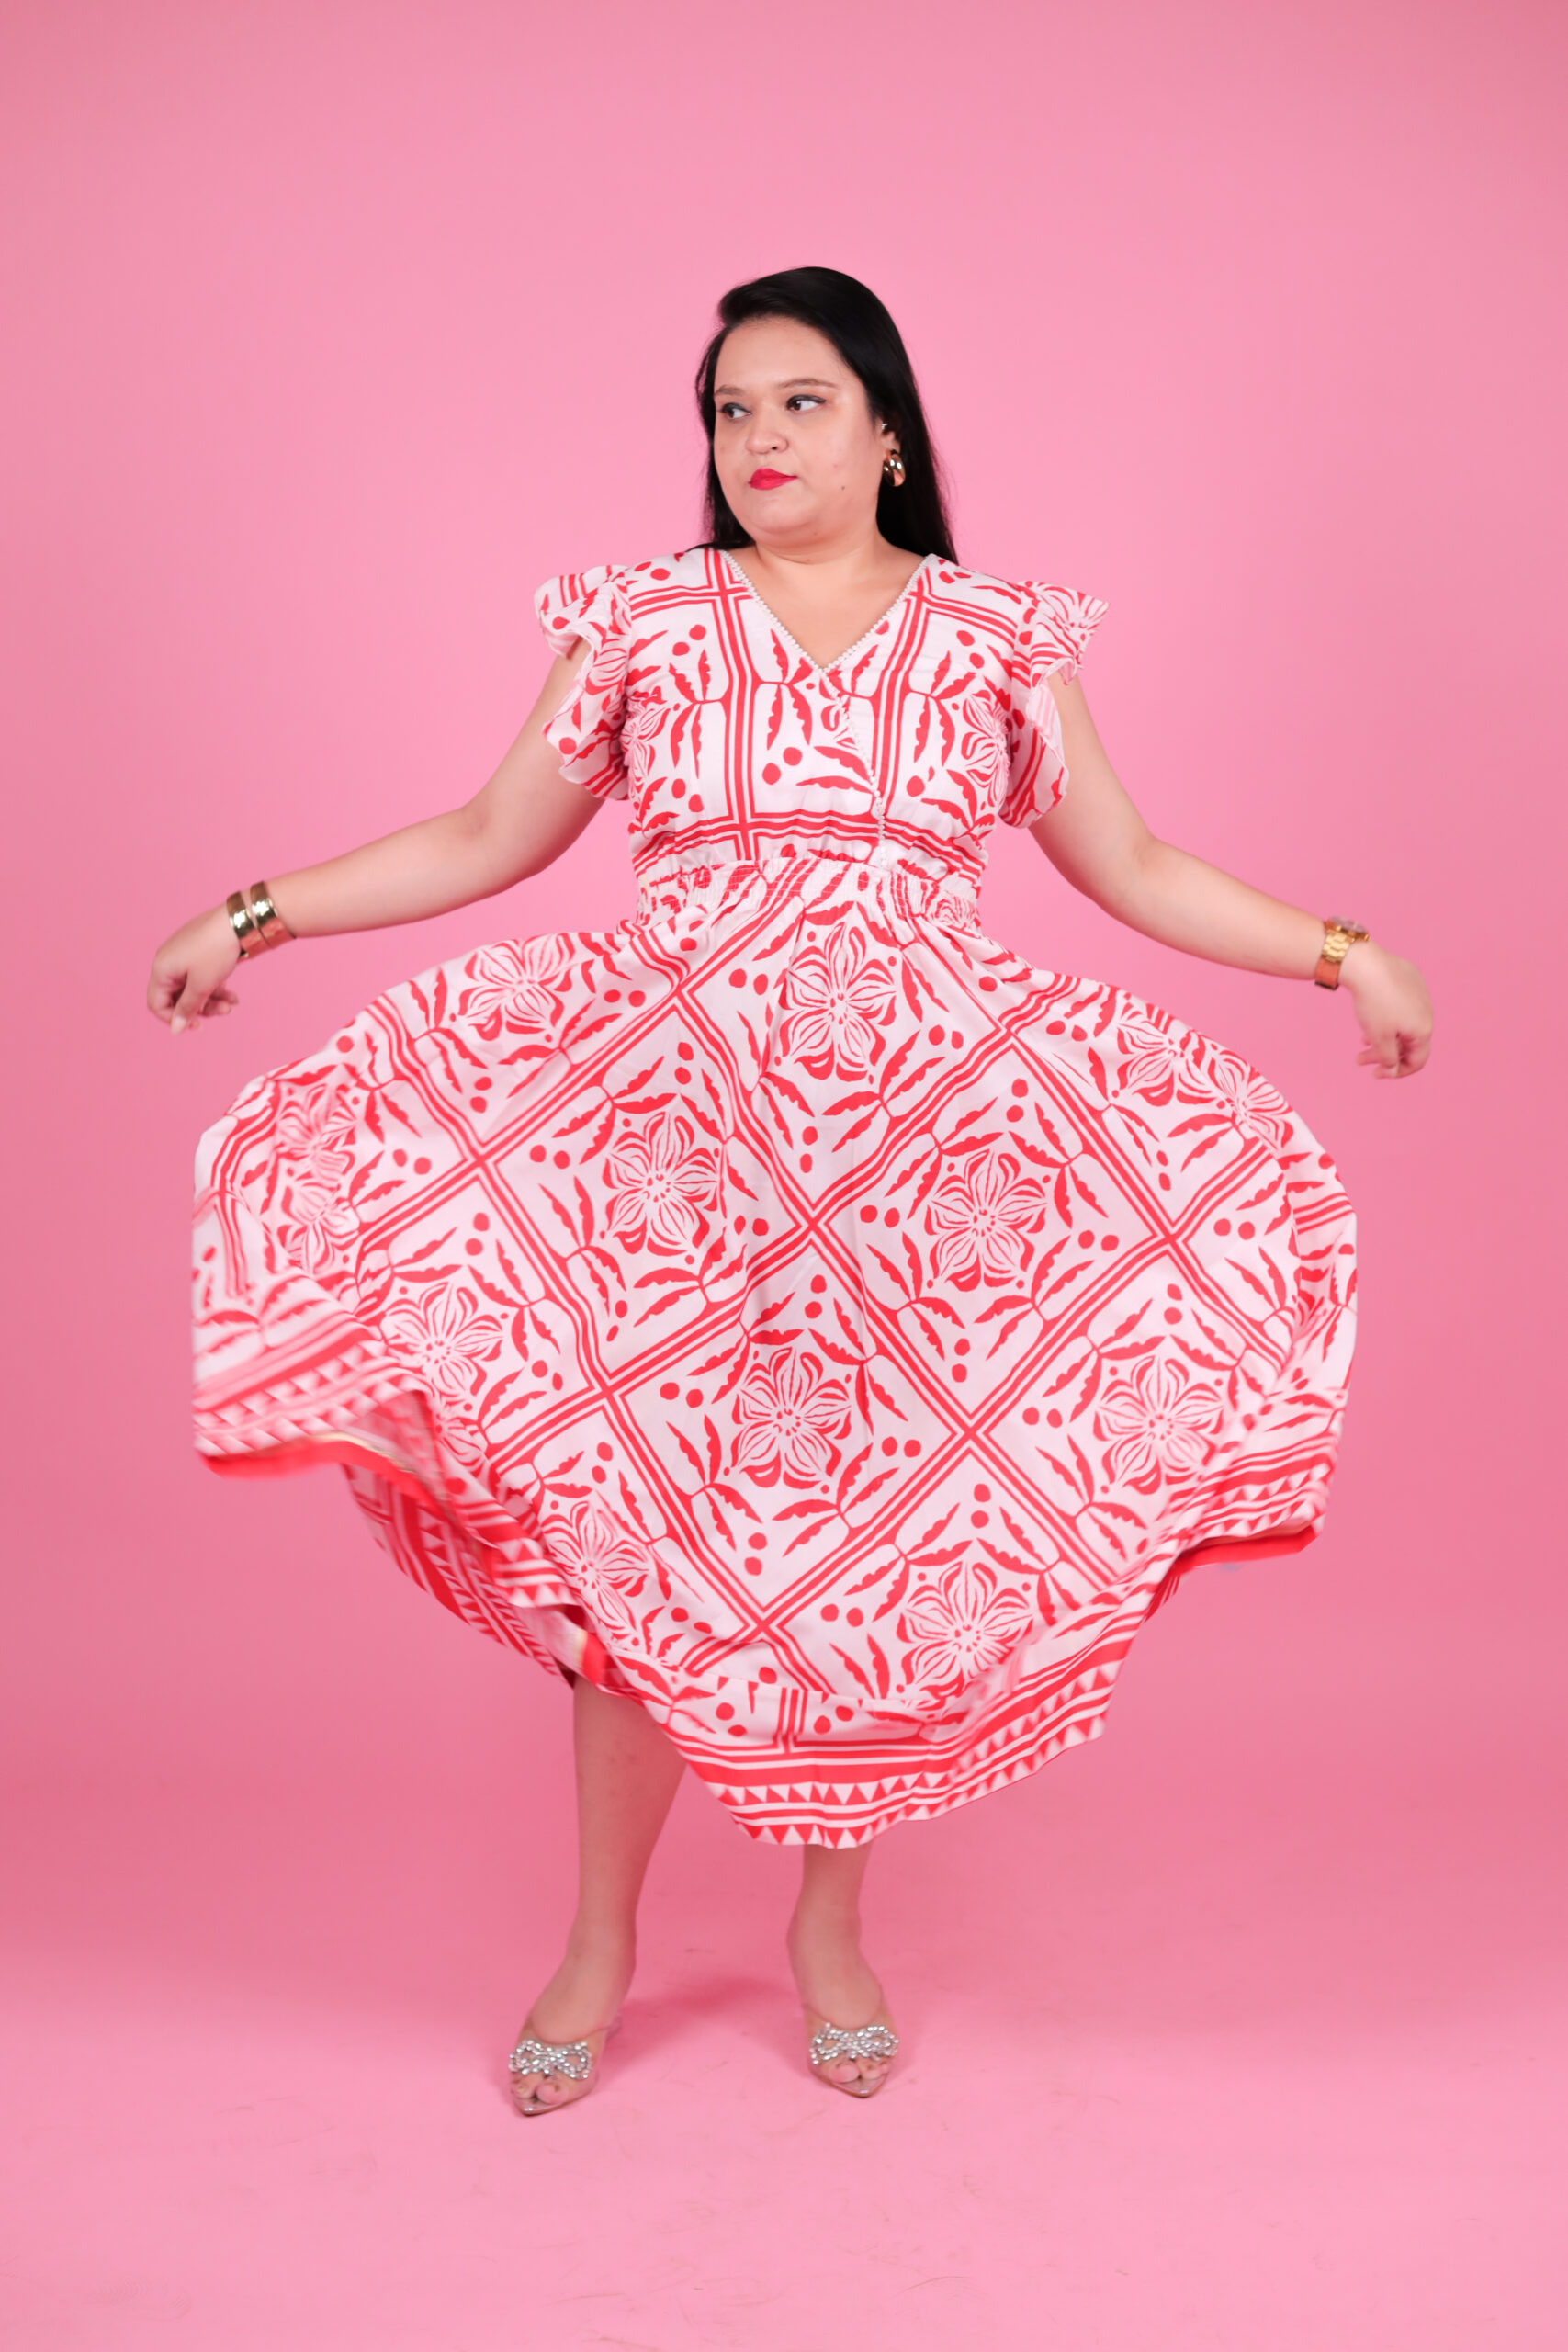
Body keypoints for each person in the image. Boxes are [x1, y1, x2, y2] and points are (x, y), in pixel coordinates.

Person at [147, 266, 1432, 2115]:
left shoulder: (993, 635)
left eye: (799, 402)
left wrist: (1342, 951)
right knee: (629, 1566)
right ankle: (598, 1942)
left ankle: (831, 1932)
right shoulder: (645, 621)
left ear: (887, 430)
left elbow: (1134, 866)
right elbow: (488, 834)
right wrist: (256, 911)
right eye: (730, 409)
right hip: (666, 1176)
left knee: (865, 1563)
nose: (757, 438)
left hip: (915, 1183)